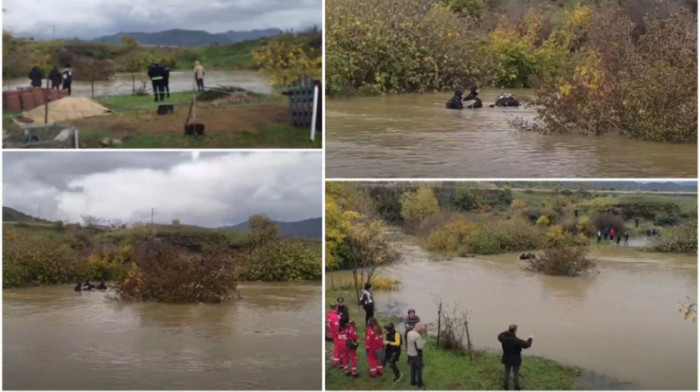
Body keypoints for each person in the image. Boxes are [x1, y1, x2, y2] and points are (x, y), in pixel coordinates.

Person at [498, 324, 533, 390]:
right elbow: (527, 345)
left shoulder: (503, 338)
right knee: (516, 373)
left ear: (509, 330)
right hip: (515, 359)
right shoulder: (517, 341)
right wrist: (530, 338)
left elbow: (499, 336)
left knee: (507, 372)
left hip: (507, 358)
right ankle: (516, 387)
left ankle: (505, 386)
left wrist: (505, 332)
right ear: (515, 331)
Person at [406, 322, 426, 388]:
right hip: (417, 355)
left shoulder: (409, 333)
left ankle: (413, 382)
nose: (422, 332)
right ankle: (420, 384)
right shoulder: (417, 336)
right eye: (422, 330)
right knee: (419, 370)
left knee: (412, 369)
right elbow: (419, 347)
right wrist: (423, 342)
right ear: (420, 329)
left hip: (410, 354)